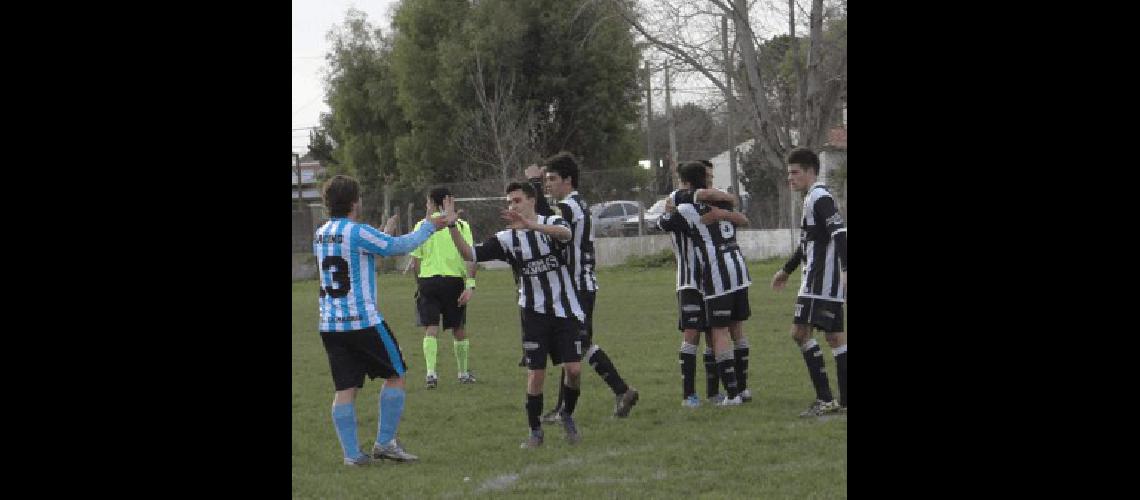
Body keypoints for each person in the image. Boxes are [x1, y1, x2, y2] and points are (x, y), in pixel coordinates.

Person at [313, 174, 455, 466]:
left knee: (345, 389)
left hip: (330, 324)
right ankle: (385, 443)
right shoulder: (357, 231)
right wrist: (432, 225)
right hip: (362, 321)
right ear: (354, 201)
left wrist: (381, 233)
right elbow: (398, 248)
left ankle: (352, 456)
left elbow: (353, 255)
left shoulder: (321, 232)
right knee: (397, 373)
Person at [447, 182, 586, 448]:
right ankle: (535, 431)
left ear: (532, 200)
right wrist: (453, 227)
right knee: (536, 374)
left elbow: (565, 234)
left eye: (517, 201)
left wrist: (531, 225)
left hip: (566, 309)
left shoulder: (551, 221)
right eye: (510, 202)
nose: (513, 207)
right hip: (533, 312)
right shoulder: (506, 238)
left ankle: (567, 414)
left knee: (574, 369)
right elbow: (471, 254)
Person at [525, 152, 639, 420]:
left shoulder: (570, 207)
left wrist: (533, 184)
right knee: (572, 347)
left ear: (568, 180)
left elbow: (544, 215)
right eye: (546, 179)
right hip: (577, 286)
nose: (548, 184)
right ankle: (564, 408)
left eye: (552, 179)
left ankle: (622, 390)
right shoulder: (576, 205)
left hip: (577, 287)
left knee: (579, 344)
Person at [771, 147, 847, 417]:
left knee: (800, 333)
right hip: (824, 283)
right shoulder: (812, 198)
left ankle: (826, 400)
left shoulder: (819, 197)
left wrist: (846, 269)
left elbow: (840, 233)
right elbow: (808, 243)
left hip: (819, 283)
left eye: (795, 173)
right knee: (836, 338)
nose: (790, 178)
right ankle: (844, 401)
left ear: (811, 172)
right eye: (788, 173)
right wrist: (787, 270)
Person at [657, 160, 740, 407]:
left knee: (713, 334)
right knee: (692, 333)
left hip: (712, 279)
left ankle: (714, 393)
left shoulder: (706, 206)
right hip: (689, 281)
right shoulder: (680, 205)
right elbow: (662, 222)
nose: (711, 183)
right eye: (708, 178)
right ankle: (689, 395)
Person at [410, 187, 478, 388]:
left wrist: (419, 284)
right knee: (458, 328)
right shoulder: (460, 225)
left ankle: (431, 374)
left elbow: (415, 262)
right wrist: (470, 284)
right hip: (454, 281)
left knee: (430, 327)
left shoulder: (422, 226)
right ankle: (463, 373)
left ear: (432, 202)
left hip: (428, 281)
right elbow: (471, 258)